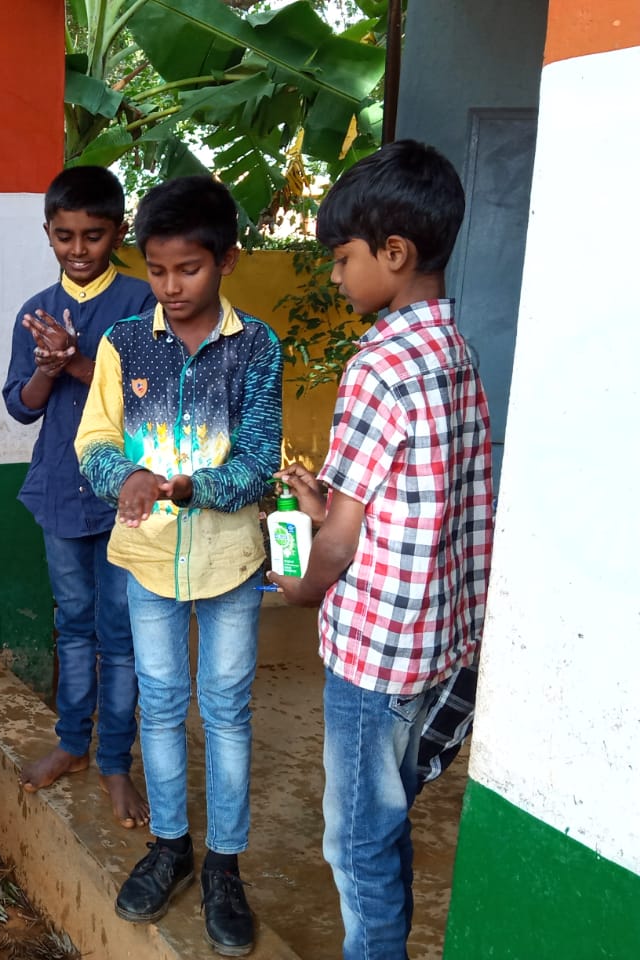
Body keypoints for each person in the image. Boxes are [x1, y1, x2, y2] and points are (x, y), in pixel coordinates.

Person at [266, 139, 493, 960]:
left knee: (354, 841)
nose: (334, 275)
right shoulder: (454, 354)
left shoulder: (378, 365)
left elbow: (335, 547)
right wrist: (324, 502)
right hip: (433, 643)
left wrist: (298, 582)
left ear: (393, 255)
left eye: (342, 257)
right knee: (388, 814)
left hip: (372, 657)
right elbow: (416, 502)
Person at [75, 175, 282, 957]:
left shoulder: (256, 347)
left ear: (226, 260)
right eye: (157, 271)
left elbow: (260, 461)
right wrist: (120, 477)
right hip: (148, 560)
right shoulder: (123, 345)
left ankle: (225, 863)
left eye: (187, 270)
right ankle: (171, 846)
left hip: (230, 559)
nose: (170, 288)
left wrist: (198, 487)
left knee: (226, 707)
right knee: (160, 702)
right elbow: (94, 439)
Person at [2, 166, 155, 829]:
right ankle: (72, 744)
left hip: (127, 495)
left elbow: (152, 400)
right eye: (64, 236)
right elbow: (22, 409)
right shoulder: (33, 310)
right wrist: (43, 369)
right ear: (47, 234)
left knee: (120, 637)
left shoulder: (143, 302)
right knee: (73, 624)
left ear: (117, 231)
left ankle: (116, 760)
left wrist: (77, 362)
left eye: (93, 235)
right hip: (62, 493)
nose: (78, 249)